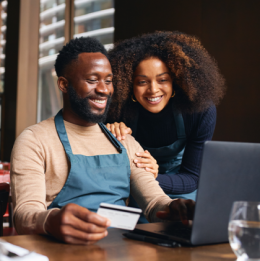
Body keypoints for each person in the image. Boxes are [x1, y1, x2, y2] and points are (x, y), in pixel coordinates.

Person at [11, 37, 195, 245]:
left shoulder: (123, 140)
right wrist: (51, 220)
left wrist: (174, 209)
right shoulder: (35, 140)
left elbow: (154, 203)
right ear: (64, 84)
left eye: (108, 81)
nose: (104, 90)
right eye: (92, 80)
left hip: (121, 251)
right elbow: (24, 215)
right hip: (60, 252)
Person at [106, 31, 226, 222]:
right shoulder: (117, 111)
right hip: (136, 189)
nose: (153, 89)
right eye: (142, 82)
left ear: (176, 82)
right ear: (128, 85)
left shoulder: (199, 111)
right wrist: (110, 133)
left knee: (185, 227)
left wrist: (154, 176)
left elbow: (192, 178)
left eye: (163, 80)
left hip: (182, 188)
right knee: (132, 234)